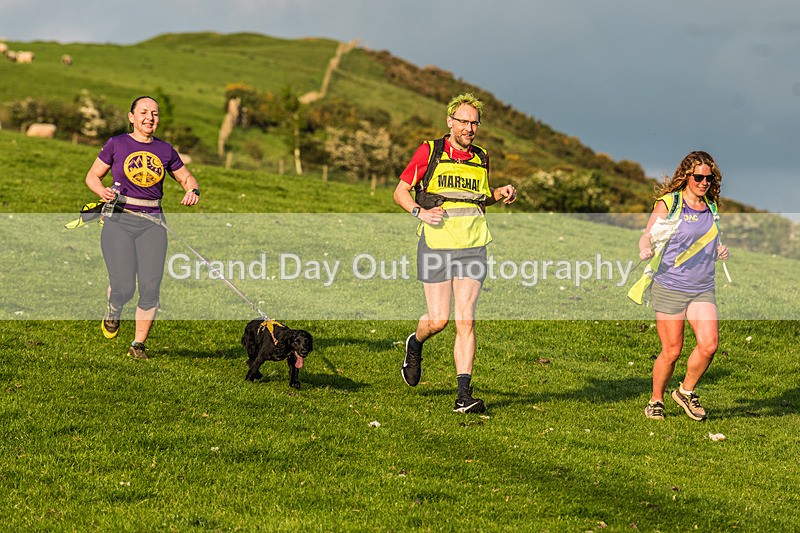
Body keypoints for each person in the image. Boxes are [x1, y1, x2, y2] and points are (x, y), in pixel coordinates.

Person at [393, 92, 516, 413]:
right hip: (436, 245)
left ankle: (463, 396)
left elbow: (478, 199)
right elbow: (400, 192)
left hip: (473, 246)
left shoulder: (481, 157)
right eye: (463, 122)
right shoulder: (430, 151)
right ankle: (415, 343)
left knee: (466, 319)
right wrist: (420, 212)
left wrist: (499, 192)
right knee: (438, 320)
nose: (469, 129)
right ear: (450, 122)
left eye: (474, 123)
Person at [84, 96, 200, 359]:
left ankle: (137, 345)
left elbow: (186, 177)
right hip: (119, 221)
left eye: (155, 114)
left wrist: (192, 190)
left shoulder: (165, 150)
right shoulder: (116, 144)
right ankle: (114, 307)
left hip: (153, 224)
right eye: (144, 112)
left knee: (150, 287)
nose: (150, 118)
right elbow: (92, 175)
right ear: (132, 117)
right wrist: (101, 191)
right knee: (123, 286)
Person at [638, 150, 729, 420]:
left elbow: (708, 241)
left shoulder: (711, 206)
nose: (704, 182)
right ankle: (656, 400)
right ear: (687, 176)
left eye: (708, 178)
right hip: (670, 285)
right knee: (672, 351)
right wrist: (645, 249)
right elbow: (647, 236)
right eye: (698, 177)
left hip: (702, 287)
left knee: (709, 345)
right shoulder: (670, 203)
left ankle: (685, 392)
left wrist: (720, 250)